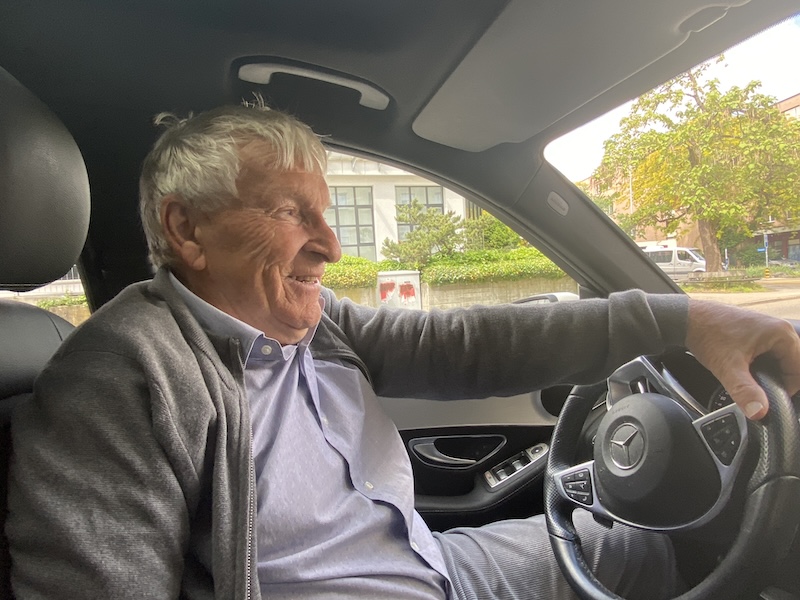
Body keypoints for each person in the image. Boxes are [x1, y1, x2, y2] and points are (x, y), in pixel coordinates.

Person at [7, 103, 800, 600]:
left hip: (429, 569)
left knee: (636, 546)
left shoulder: (317, 324)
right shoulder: (119, 375)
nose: (330, 248)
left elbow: (473, 344)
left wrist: (685, 320)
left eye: (327, 216)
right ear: (186, 230)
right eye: (293, 214)